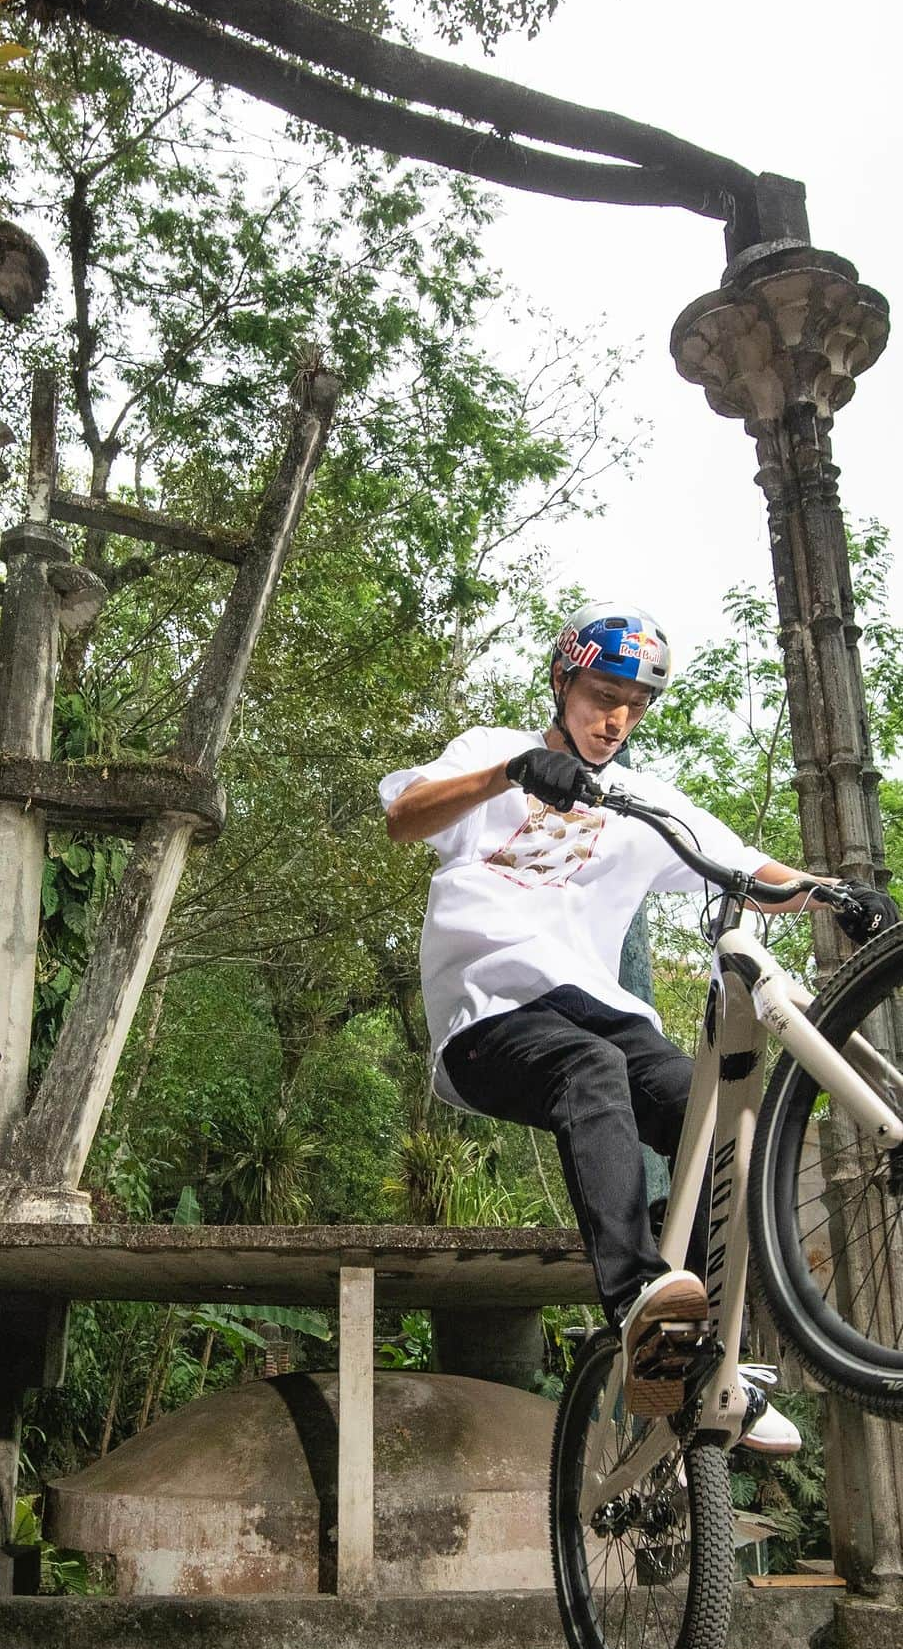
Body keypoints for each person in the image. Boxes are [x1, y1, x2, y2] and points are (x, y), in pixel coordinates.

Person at [380, 604, 898, 1444]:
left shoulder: (639, 798)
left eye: (634, 703)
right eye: (600, 695)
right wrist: (516, 770)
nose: (615, 718)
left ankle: (694, 1349)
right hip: (491, 1016)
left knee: (714, 1111)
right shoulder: (490, 750)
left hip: (600, 1013)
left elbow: (741, 864)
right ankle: (635, 1299)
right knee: (590, 1070)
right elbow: (405, 817)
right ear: (563, 682)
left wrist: (833, 891)